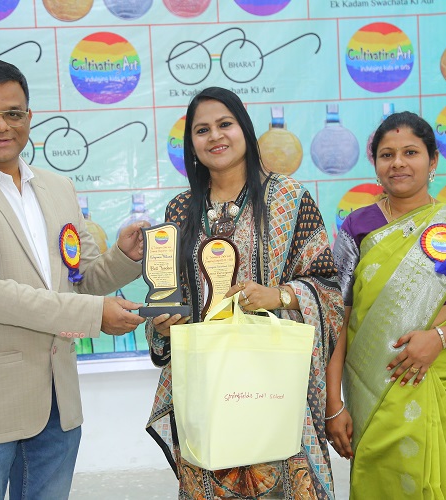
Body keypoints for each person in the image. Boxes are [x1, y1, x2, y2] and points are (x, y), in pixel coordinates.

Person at [0, 58, 147, 499]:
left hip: (58, 404)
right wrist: (94, 314)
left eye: (13, 113)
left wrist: (125, 257)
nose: (1, 125)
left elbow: (81, 277)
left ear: (29, 117)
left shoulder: (57, 187)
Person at [144, 87, 344, 499]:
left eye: (225, 124)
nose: (215, 136)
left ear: (245, 131)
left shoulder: (290, 198)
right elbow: (169, 292)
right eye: (202, 130)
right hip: (205, 388)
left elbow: (328, 289)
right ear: (191, 145)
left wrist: (279, 296)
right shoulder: (180, 210)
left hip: (276, 386)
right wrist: (165, 324)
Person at [328, 111, 446, 499]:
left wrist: (438, 339)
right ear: (375, 164)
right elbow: (336, 320)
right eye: (387, 154)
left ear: (433, 160)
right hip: (377, 392)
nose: (398, 163)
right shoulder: (357, 229)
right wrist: (333, 404)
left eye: (410, 152)